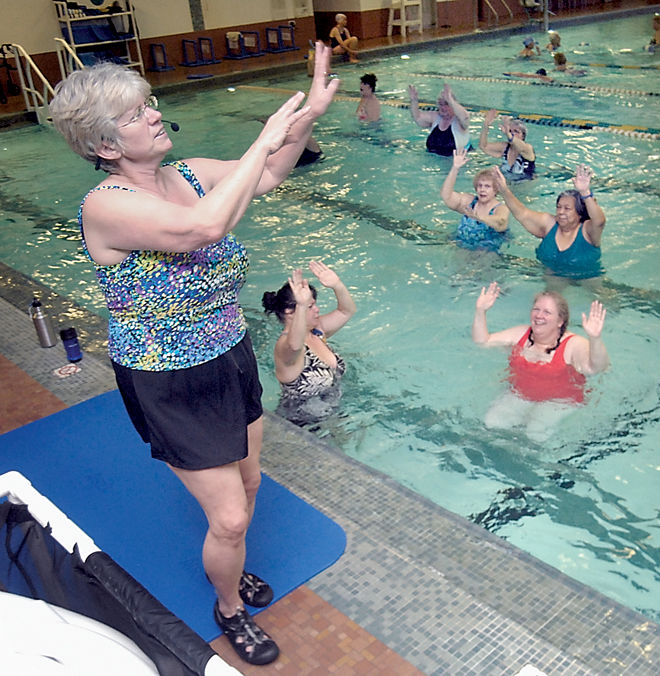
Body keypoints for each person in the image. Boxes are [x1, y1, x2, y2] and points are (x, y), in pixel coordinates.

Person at [48, 42, 339, 667]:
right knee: (230, 517)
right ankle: (229, 608)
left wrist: (308, 113)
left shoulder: (188, 174)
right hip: (167, 381)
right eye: (134, 115)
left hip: (230, 356)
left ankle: (232, 574)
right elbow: (204, 228)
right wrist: (266, 134)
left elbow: (265, 177)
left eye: (149, 103)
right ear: (105, 146)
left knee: (252, 481)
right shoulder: (107, 206)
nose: (154, 114)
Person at [472, 282, 609, 441]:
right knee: (492, 424)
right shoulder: (521, 333)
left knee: (534, 434)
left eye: (547, 312)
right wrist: (480, 311)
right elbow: (483, 341)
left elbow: (596, 367)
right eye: (536, 309)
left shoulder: (573, 344)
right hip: (522, 393)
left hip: (560, 400)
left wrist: (595, 338)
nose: (539, 316)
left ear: (560, 321)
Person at [262, 262, 356, 426]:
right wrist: (302, 305)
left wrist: (337, 285)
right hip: (303, 427)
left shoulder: (317, 331)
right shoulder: (284, 347)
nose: (317, 309)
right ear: (290, 313)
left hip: (334, 416)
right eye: (311, 306)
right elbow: (295, 346)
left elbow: (346, 311)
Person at [492, 164, 605, 280]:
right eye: (558, 207)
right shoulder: (549, 223)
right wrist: (504, 191)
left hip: (587, 276)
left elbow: (599, 222)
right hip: (552, 274)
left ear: (580, 213)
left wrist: (585, 193)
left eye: (567, 208)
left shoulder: (587, 231)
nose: (561, 212)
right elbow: (522, 213)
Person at [440, 147, 510, 251]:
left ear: (495, 190)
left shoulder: (500, 208)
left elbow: (501, 221)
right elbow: (446, 196)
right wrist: (455, 168)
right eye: (480, 185)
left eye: (487, 186)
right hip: (462, 245)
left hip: (487, 250)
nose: (482, 190)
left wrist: (480, 218)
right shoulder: (470, 202)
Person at [408, 82, 470, 156]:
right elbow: (417, 118)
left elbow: (465, 117)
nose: (443, 108)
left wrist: (450, 100)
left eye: (447, 104)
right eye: (441, 104)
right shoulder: (435, 117)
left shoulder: (459, 121)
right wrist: (414, 101)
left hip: (455, 162)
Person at [479, 109, 536, 181]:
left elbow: (517, 144)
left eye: (516, 131)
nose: (512, 133)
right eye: (510, 131)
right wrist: (486, 125)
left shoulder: (527, 149)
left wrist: (508, 133)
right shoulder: (504, 147)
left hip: (526, 187)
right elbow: (483, 146)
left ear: (523, 136)